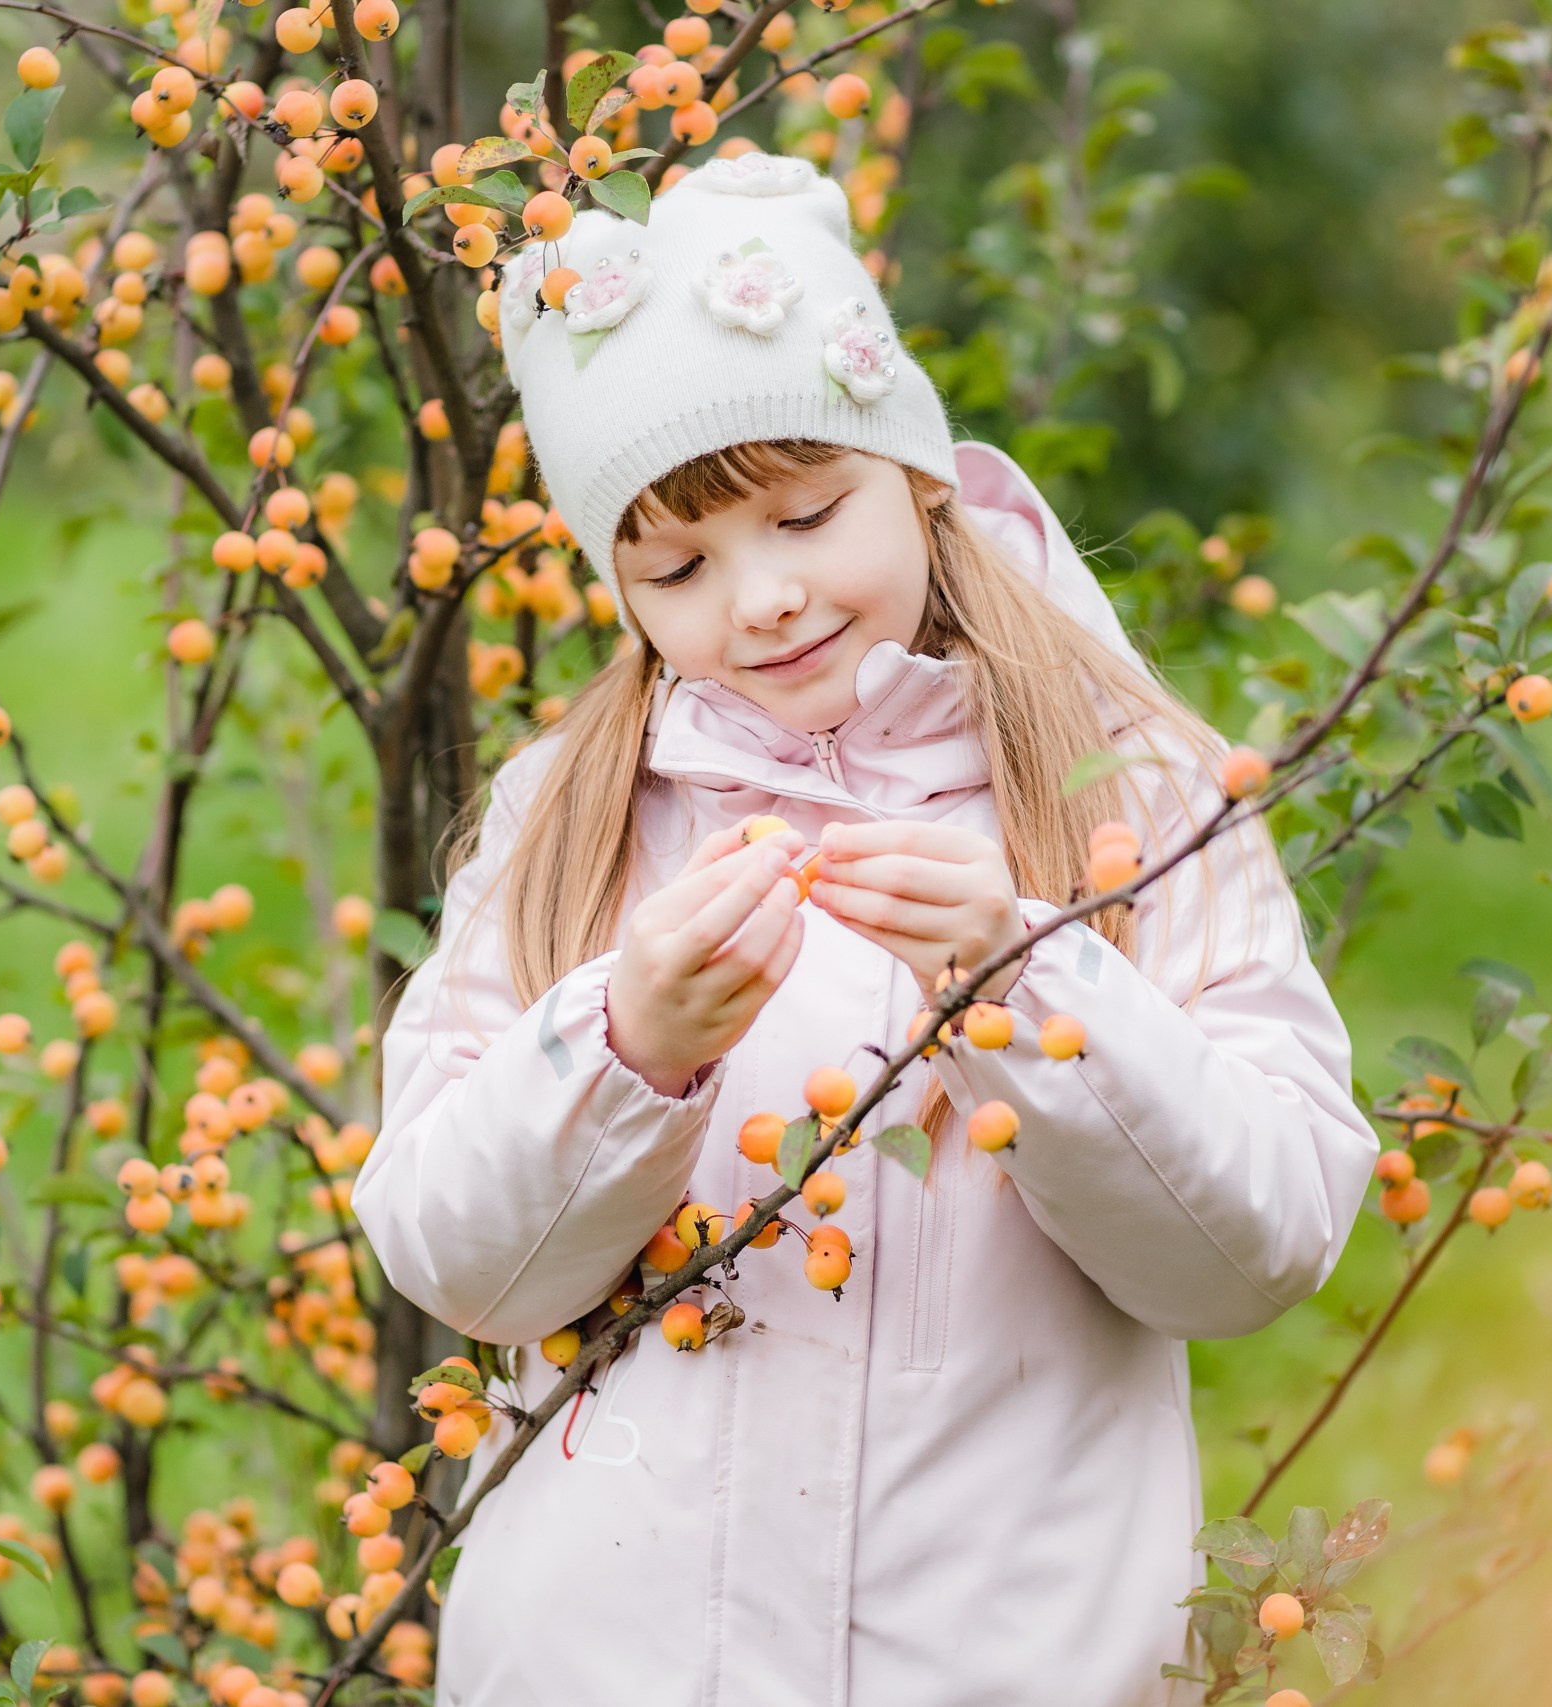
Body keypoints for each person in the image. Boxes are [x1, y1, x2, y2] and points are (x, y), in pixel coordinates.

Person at [353, 147, 1376, 1707]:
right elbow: (459, 1260)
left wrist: (1028, 999)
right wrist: (626, 1053)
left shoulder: (1122, 787)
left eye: (807, 512)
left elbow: (1257, 1248)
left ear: (917, 474)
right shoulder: (574, 815)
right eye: (679, 564)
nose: (759, 598)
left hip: (997, 1664)